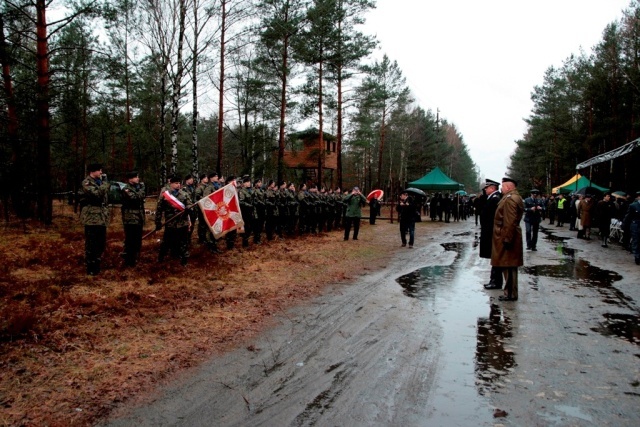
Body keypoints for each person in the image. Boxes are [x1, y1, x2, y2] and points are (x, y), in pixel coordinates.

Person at [491, 177, 524, 302]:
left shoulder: (510, 199)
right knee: (508, 265)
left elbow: (510, 222)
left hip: (507, 236)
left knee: (508, 265)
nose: (501, 189)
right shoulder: (512, 197)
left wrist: (507, 239)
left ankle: (510, 293)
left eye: (503, 187)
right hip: (508, 235)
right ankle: (510, 292)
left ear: (509, 187)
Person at [79, 163, 110, 275]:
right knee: (91, 244)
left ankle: (97, 264)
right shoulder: (87, 183)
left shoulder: (100, 182)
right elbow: (97, 194)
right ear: (93, 171)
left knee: (101, 243)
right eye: (99, 170)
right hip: (91, 217)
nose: (101, 173)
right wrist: (105, 184)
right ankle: (91, 268)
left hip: (101, 217)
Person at [155, 175, 192, 266]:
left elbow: (190, 204)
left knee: (183, 242)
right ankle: (161, 258)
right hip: (170, 223)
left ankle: (184, 260)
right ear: (171, 184)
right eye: (176, 183)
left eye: (179, 183)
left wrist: (188, 208)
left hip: (182, 223)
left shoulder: (184, 194)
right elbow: (159, 209)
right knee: (166, 242)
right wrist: (158, 222)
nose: (178, 185)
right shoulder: (166, 195)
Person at [480, 179, 503, 290]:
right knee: (494, 257)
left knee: (496, 257)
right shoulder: (492, 198)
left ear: (492, 188)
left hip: (492, 232)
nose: (485, 190)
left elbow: (492, 218)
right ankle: (494, 280)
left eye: (487, 188)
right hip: (491, 231)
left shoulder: (495, 199)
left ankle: (496, 281)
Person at [120, 171, 146, 267]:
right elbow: (135, 198)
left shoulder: (136, 188)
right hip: (130, 218)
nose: (138, 179)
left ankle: (136, 258)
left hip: (138, 217)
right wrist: (142, 190)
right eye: (136, 177)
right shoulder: (126, 189)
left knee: (138, 240)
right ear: (130, 179)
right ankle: (129, 260)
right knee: (130, 239)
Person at [622, 191, 640, 265]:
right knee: (636, 241)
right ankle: (637, 256)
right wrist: (624, 225)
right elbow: (628, 217)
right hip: (636, 226)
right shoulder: (633, 205)